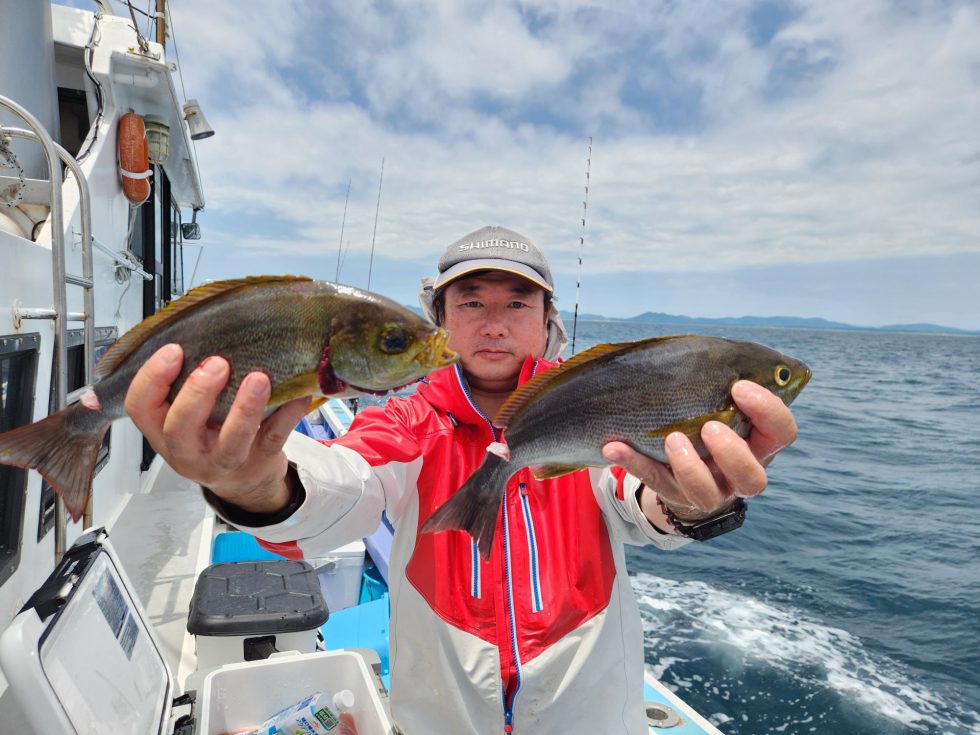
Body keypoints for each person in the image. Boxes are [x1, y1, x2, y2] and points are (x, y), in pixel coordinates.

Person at [125, 225, 799, 734]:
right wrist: (254, 482)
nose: (496, 323)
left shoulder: (590, 408)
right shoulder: (411, 418)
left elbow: (636, 490)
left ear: (546, 320)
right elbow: (346, 482)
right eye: (471, 302)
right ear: (440, 319)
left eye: (518, 303)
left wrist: (693, 501)